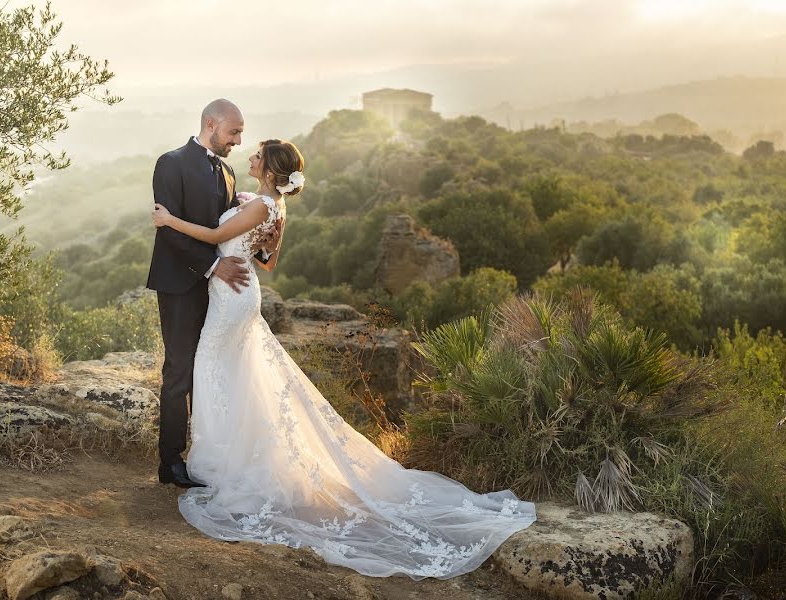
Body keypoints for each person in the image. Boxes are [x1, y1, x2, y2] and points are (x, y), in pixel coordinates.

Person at [151, 139, 536, 580]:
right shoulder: (269, 204)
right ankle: (225, 455)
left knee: (215, 371)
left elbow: (219, 238)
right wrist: (260, 243)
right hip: (236, 293)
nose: (249, 155)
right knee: (231, 376)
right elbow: (269, 261)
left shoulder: (261, 205)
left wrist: (169, 220)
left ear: (272, 170)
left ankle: (224, 461)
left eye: (257, 154)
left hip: (232, 297)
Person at [146, 99, 280, 488]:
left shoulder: (227, 170)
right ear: (211, 124)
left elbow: (231, 232)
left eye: (240, 133)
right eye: (234, 132)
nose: (239, 140)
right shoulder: (170, 163)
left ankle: (211, 454)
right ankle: (170, 461)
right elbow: (167, 229)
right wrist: (212, 266)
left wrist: (264, 243)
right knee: (179, 370)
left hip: (222, 293)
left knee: (213, 370)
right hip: (181, 283)